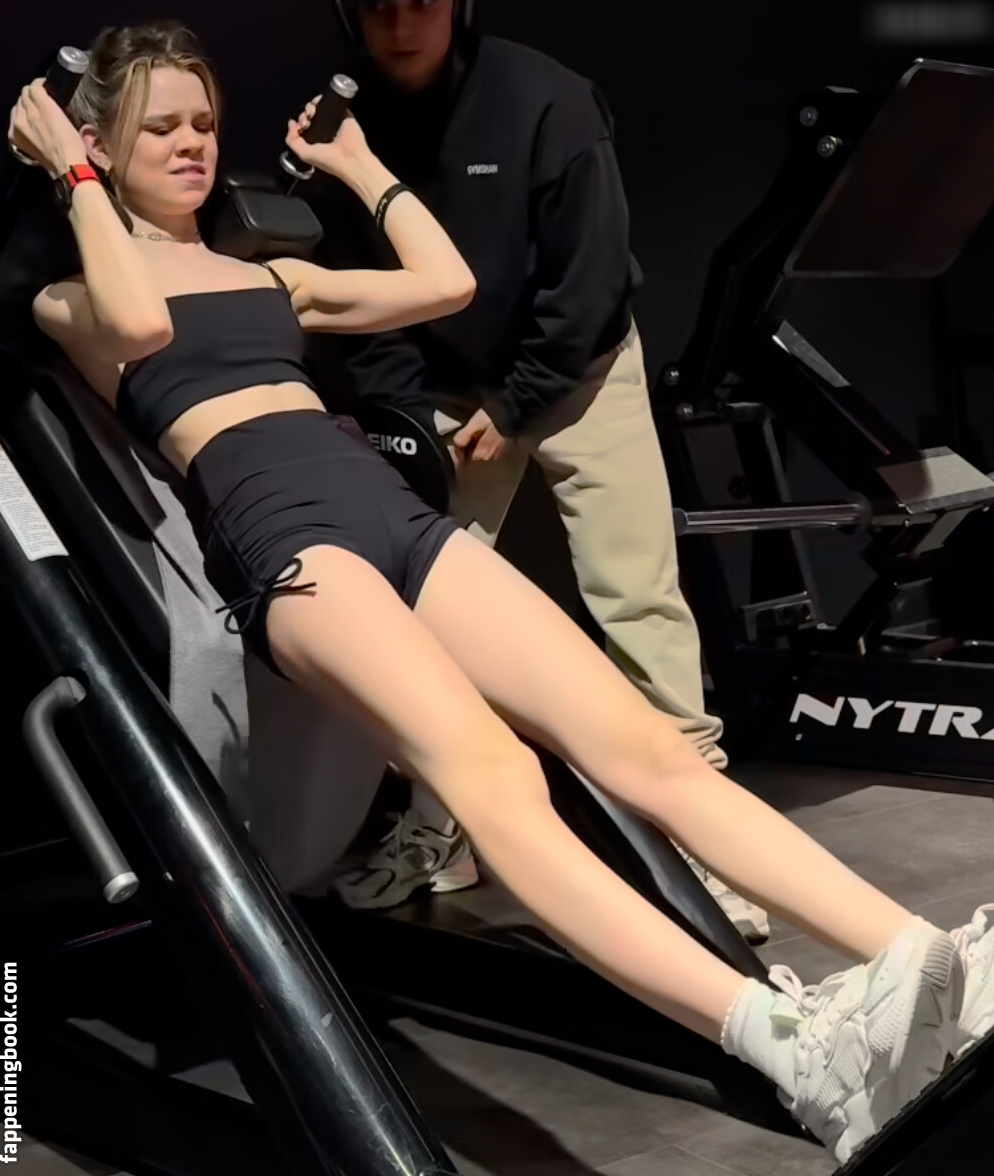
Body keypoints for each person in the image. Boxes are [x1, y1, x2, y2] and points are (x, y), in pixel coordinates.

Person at [8, 20, 994, 1166]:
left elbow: (446, 282)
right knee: (494, 776)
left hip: (395, 516)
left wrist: (360, 167)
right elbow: (137, 324)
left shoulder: (271, 277)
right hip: (288, 542)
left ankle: (931, 967)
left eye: (205, 123)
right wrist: (72, 175)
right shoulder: (73, 296)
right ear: (97, 143)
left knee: (646, 747)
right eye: (160, 128)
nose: (193, 145)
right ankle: (791, 1048)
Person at [310, 0, 767, 940]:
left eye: (422, 0)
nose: (402, 21)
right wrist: (411, 415)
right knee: (424, 613)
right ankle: (443, 824)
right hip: (445, 384)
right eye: (380, 3)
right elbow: (355, 298)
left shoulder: (546, 100)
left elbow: (588, 278)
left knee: (635, 595)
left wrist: (519, 403)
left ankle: (706, 843)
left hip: (577, 368)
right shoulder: (340, 125)